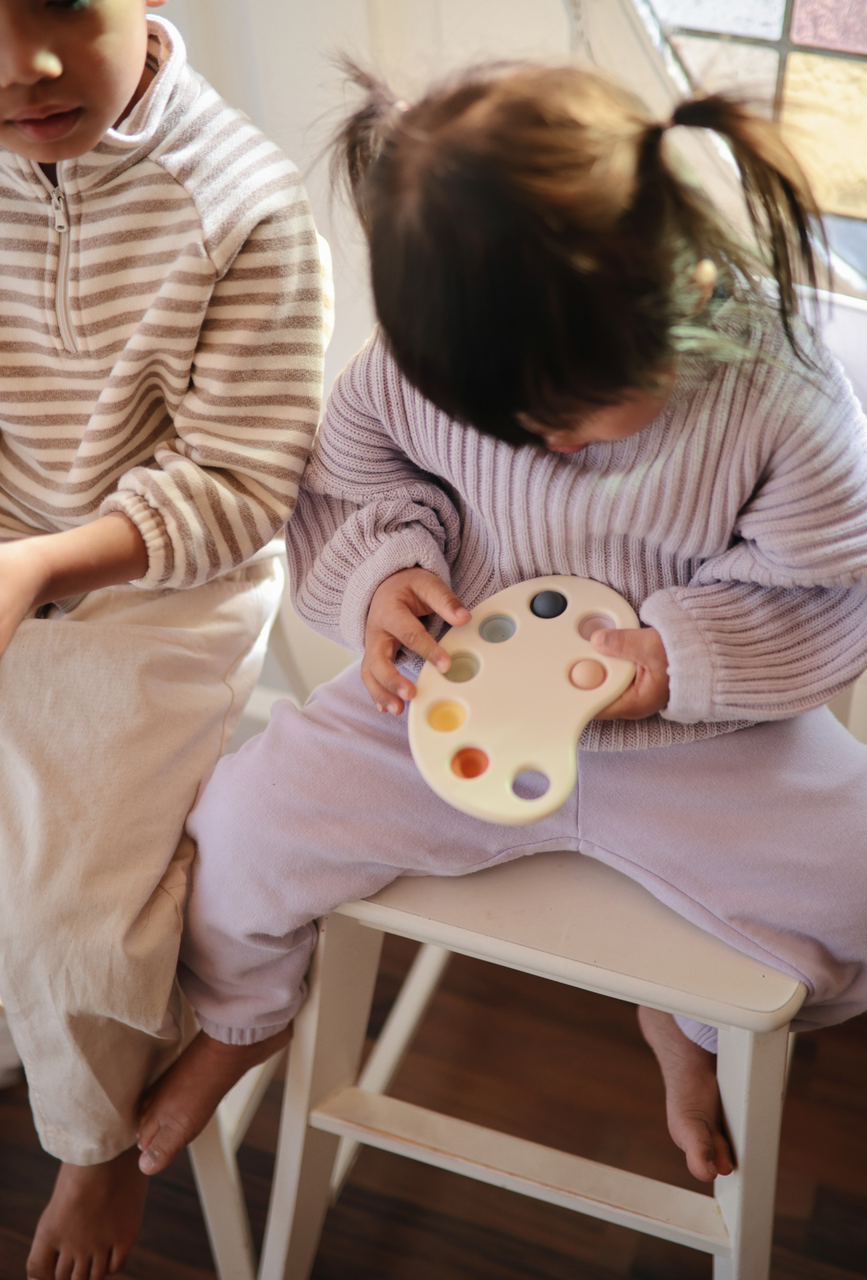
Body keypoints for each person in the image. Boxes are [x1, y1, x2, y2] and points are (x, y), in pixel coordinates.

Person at [137, 61, 867, 1193]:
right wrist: (386, 575)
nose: (541, 446)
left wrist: (678, 660)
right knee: (236, 834)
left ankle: (686, 1027)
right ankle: (244, 1018)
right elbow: (357, 482)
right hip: (441, 710)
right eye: (499, 420)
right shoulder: (421, 366)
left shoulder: (778, 392)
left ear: (678, 297)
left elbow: (833, 579)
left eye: (567, 417)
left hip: (695, 740)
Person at [0, 3, 327, 1277]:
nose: (23, 65)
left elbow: (242, 484)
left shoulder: (242, 205)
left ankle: (91, 1151)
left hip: (160, 577)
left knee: (75, 898)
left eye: (63, 10)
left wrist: (38, 566)